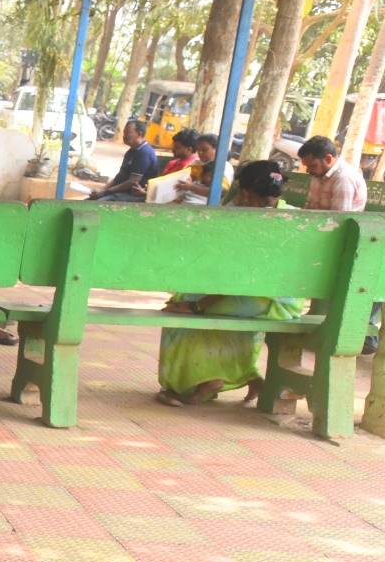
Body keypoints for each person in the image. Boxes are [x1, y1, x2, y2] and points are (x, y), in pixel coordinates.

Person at [156, 159, 304, 406]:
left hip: (263, 301)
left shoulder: (248, 222)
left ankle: (183, 385)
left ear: (245, 191)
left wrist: (197, 306)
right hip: (286, 303)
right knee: (222, 311)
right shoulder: (296, 217)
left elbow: (237, 279)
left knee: (182, 305)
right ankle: (246, 376)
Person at [300, 136, 380, 352]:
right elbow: (311, 208)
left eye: (312, 165)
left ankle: (358, 334)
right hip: (323, 240)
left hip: (345, 244)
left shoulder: (343, 178)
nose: (309, 171)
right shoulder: (320, 176)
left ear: (328, 158)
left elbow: (339, 222)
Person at [88, 120, 157, 201]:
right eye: (124, 133)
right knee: (89, 201)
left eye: (128, 133)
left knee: (98, 203)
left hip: (134, 195)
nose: (124, 136)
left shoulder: (144, 152)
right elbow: (119, 177)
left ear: (139, 134)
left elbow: (132, 182)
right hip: (122, 192)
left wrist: (105, 192)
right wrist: (102, 189)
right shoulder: (131, 151)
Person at [173, 133, 228, 204]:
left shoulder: (223, 167)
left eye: (205, 150)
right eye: (198, 150)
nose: (200, 153)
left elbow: (220, 192)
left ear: (216, 149)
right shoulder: (193, 165)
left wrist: (191, 187)